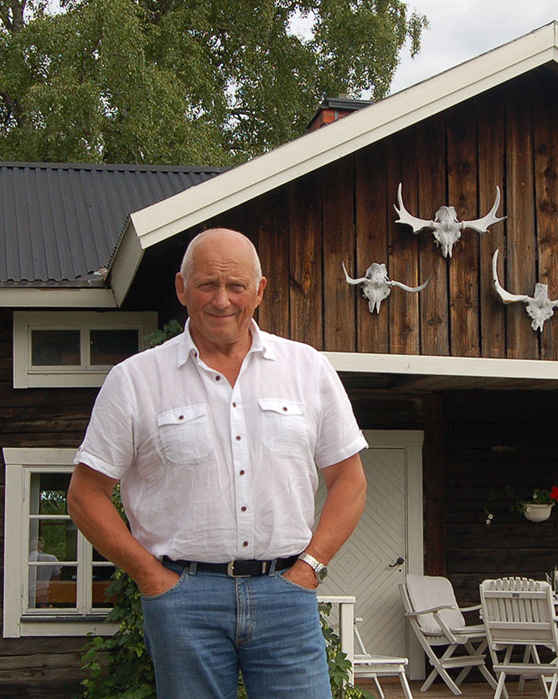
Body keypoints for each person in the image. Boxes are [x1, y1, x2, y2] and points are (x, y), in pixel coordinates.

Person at [68, 228, 367, 697]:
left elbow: (349, 480)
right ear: (182, 288)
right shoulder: (135, 380)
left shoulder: (308, 370)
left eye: (237, 286)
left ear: (260, 290)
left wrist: (311, 566)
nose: (222, 300)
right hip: (184, 598)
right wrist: (150, 575)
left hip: (286, 594)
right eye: (207, 284)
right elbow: (86, 497)